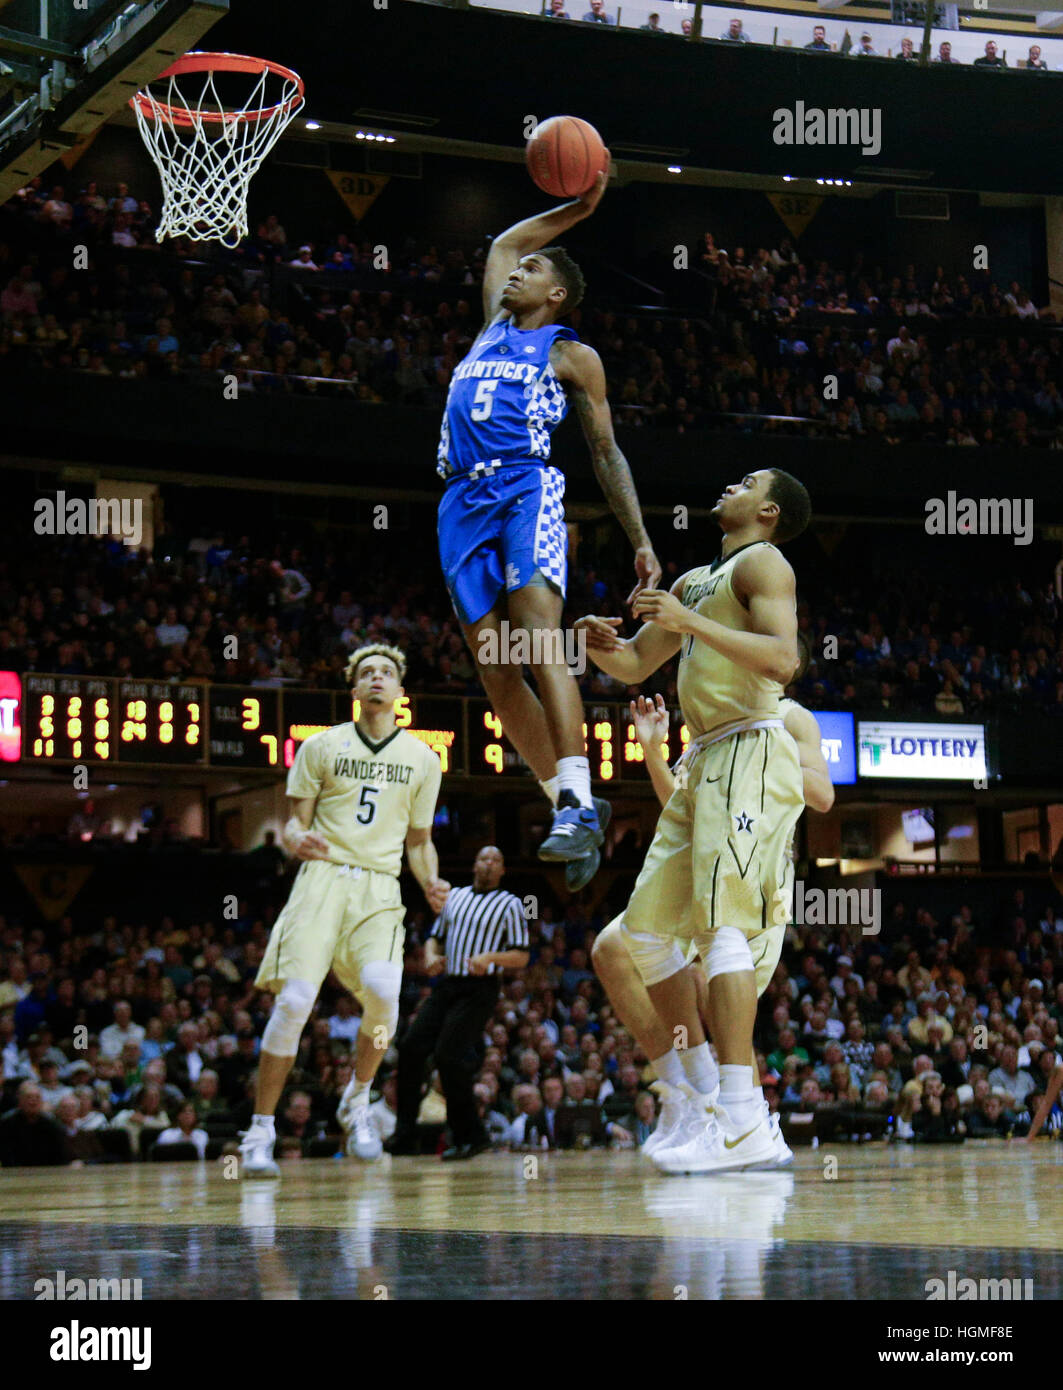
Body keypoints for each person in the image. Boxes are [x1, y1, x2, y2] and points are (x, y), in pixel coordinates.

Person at [576, 467, 812, 1173]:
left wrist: (687, 623)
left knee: (723, 929)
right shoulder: (688, 582)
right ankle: (710, 1098)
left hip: (749, 743)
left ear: (766, 511)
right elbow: (633, 666)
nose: (727, 486)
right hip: (702, 761)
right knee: (643, 934)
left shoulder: (764, 562)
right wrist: (600, 648)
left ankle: (743, 1119)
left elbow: (784, 660)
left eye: (745, 483)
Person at [435, 163, 660, 893]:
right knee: (497, 673)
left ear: (556, 294)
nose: (514, 272)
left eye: (531, 271)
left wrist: (640, 540)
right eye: (516, 269)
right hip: (458, 503)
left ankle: (575, 798)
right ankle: (565, 804)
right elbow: (504, 240)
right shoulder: (487, 330)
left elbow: (604, 450)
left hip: (524, 487)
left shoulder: (569, 354)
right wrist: (579, 205)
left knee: (536, 640)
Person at [591, 688, 832, 1168]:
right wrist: (655, 751)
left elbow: (822, 795)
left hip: (756, 872)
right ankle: (684, 1094)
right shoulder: (709, 722)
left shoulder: (789, 716)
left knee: (708, 987)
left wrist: (759, 759)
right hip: (701, 868)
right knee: (611, 949)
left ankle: (753, 1121)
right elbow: (680, 812)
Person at [239, 644, 448, 1177]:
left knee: (384, 994)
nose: (377, 678)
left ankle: (357, 1099)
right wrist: (295, 840)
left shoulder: (424, 760)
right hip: (323, 881)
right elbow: (293, 823)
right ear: (354, 690)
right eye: (366, 673)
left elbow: (420, 841)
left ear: (401, 693)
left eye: (387, 673)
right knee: (295, 1003)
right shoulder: (321, 746)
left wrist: (431, 883)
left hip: (380, 889)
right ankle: (260, 1131)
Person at [387, 846, 528, 1160]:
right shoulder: (456, 897)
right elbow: (434, 936)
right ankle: (405, 1133)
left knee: (448, 1055)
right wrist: (431, 957)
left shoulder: (511, 904)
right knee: (410, 1047)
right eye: (483, 858)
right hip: (448, 983)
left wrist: (490, 957)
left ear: (503, 870)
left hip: (481, 988)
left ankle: (470, 1136)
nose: (489, 864)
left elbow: (522, 955)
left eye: (495, 859)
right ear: (474, 864)